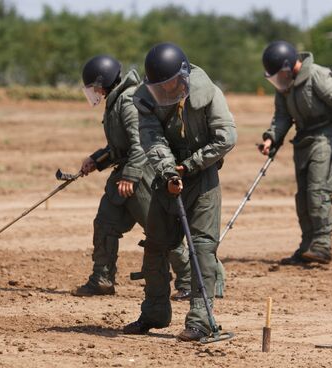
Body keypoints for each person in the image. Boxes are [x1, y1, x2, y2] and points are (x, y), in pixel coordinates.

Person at [123, 43, 237, 342]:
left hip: (202, 178)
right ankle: (154, 313)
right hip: (168, 175)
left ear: (184, 74)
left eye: (171, 84)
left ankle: (200, 321)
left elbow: (227, 137)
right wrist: (169, 170)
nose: (167, 91)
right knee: (156, 245)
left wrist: (190, 166)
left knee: (202, 248)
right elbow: (151, 137)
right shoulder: (147, 100)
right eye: (160, 87)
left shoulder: (209, 93)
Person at [72, 55, 191, 300]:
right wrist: (97, 160)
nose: (93, 92)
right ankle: (102, 278)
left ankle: (189, 281)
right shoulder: (116, 100)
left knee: (162, 230)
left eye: (94, 87)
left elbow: (140, 145)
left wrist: (131, 176)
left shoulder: (127, 101)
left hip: (141, 176)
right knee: (106, 223)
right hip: (125, 177)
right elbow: (120, 147)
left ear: (103, 82)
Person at [258, 40, 332, 265]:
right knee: (302, 198)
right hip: (302, 140)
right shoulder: (284, 86)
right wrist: (271, 137)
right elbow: (282, 117)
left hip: (323, 137)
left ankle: (322, 244)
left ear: (290, 66)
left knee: (317, 192)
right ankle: (307, 246)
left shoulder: (317, 76)